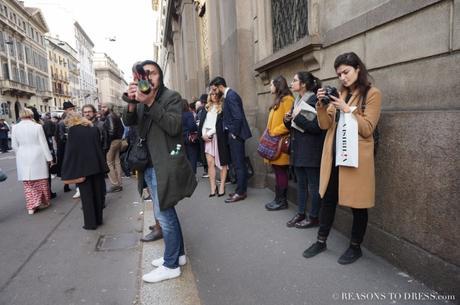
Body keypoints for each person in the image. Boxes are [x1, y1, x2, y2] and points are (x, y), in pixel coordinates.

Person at [303, 52, 382, 264]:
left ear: (358, 69)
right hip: (335, 156)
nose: (342, 77)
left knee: (358, 205)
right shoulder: (340, 93)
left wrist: (348, 110)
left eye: (346, 72)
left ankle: (355, 247)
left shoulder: (372, 94)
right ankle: (321, 241)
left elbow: (367, 129)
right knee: (327, 199)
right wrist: (321, 105)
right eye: (339, 74)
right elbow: (325, 125)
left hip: (355, 159)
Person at [123, 59, 197, 283]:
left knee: (164, 214)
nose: (148, 78)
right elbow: (129, 121)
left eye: (152, 73)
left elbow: (174, 126)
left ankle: (171, 264)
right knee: (165, 212)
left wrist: (151, 102)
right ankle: (179, 255)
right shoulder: (141, 99)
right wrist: (132, 102)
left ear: (160, 76)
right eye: (143, 75)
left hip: (163, 164)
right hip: (147, 163)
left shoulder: (170, 97)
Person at [283, 72, 325, 228]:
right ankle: (301, 213)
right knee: (301, 184)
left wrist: (297, 116)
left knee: (313, 186)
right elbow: (294, 126)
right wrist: (287, 119)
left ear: (303, 84)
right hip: (298, 149)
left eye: (294, 81)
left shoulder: (314, 100)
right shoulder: (298, 100)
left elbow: (316, 127)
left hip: (311, 150)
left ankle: (313, 217)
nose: (291, 83)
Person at [61, 112, 108, 230]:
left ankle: (90, 223)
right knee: (98, 194)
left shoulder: (73, 131)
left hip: (83, 167)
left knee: (87, 197)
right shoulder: (93, 129)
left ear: (70, 121)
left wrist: (67, 169)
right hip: (97, 164)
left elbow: (71, 151)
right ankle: (99, 219)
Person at [209, 77, 252, 203]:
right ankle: (240, 190)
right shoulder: (229, 95)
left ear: (219, 86)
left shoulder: (231, 96)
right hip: (235, 135)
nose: (214, 92)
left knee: (239, 165)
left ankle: (241, 192)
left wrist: (233, 133)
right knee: (238, 164)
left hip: (236, 136)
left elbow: (238, 117)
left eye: (214, 89)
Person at [262, 76, 295, 211]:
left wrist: (274, 132)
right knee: (277, 171)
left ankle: (282, 201)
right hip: (274, 141)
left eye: (271, 85)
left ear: (277, 85)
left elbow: (288, 122)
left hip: (281, 142)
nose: (270, 87)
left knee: (281, 171)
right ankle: (278, 198)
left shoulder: (288, 100)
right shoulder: (278, 100)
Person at [11, 108, 53, 214]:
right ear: (31, 115)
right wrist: (49, 159)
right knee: (41, 181)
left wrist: (20, 153)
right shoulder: (37, 126)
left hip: (22, 155)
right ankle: (42, 201)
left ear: (20, 115)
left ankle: (31, 206)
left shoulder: (15, 127)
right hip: (37, 155)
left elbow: (14, 145)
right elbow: (43, 143)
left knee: (28, 183)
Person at [198, 91, 230, 197]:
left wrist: (209, 133)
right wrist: (204, 135)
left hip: (219, 138)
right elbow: (202, 123)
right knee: (210, 163)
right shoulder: (206, 108)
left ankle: (221, 186)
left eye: (216, 94)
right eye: (212, 94)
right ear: (209, 96)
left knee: (222, 163)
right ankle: (213, 187)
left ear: (219, 96)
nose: (214, 96)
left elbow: (220, 125)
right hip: (208, 139)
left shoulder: (222, 108)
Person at [101, 102, 124, 193]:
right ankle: (119, 183)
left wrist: (108, 142)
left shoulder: (110, 116)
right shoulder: (115, 115)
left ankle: (115, 184)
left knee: (109, 163)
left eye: (104, 107)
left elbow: (111, 131)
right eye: (102, 107)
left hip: (112, 142)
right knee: (117, 162)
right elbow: (120, 129)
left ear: (109, 108)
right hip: (118, 140)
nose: (102, 109)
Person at [55, 101, 76, 193]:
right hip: (66, 148)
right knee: (67, 166)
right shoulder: (61, 123)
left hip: (73, 146)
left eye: (72, 109)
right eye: (70, 109)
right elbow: (60, 137)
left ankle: (77, 185)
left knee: (75, 165)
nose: (72, 111)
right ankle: (66, 184)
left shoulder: (75, 119)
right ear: (65, 110)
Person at [181, 99, 199, 174]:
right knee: (192, 156)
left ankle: (187, 174)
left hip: (181, 138)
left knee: (185, 157)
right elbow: (192, 126)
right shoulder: (188, 114)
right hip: (189, 137)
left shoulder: (177, 114)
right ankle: (192, 174)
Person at [196, 94, 209, 178]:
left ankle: (207, 170)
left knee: (206, 153)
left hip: (206, 135)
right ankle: (207, 170)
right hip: (204, 135)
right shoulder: (203, 110)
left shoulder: (205, 110)